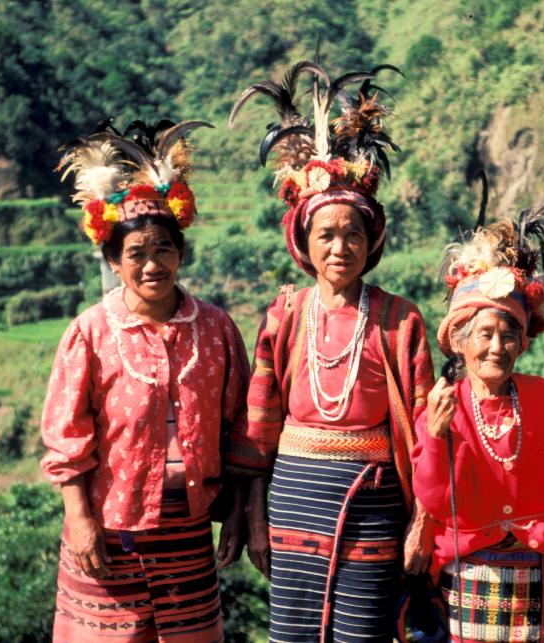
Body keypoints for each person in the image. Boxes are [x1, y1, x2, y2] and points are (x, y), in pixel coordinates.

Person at [224, 59, 435, 642]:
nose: (340, 246)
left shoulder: (400, 320)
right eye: (326, 234)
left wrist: (423, 519)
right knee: (293, 634)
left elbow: (423, 432)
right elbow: (259, 426)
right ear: (304, 242)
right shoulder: (285, 315)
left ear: (372, 243)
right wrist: (255, 517)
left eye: (353, 234)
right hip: (293, 500)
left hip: (375, 500)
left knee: (364, 632)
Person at [41, 119, 250, 641]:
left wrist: (243, 514)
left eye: (163, 250)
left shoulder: (217, 329)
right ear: (113, 260)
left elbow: (242, 428)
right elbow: (67, 439)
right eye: (136, 253)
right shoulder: (88, 332)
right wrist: (80, 521)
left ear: (181, 253)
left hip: (188, 530)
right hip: (110, 528)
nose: (152, 264)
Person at [412, 209, 544, 642]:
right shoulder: (442, 405)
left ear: (522, 342)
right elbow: (437, 502)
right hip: (471, 574)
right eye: (484, 334)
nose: (497, 347)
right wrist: (437, 436)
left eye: (509, 335)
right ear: (460, 340)